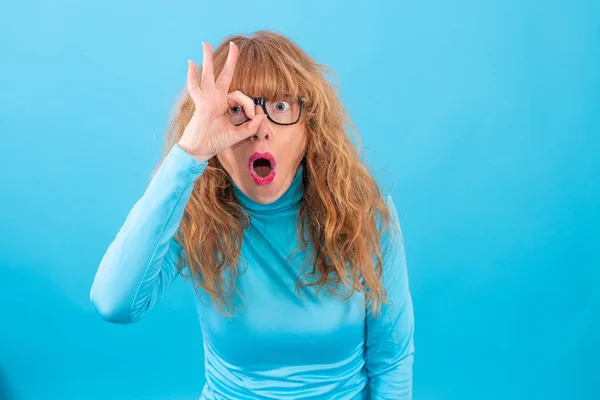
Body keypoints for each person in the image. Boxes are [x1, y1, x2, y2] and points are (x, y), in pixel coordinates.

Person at [90, 30, 415, 399]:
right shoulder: (196, 213)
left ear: (310, 126)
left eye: (280, 107)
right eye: (236, 111)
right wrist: (190, 152)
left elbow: (391, 359)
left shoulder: (364, 214)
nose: (259, 130)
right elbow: (114, 303)